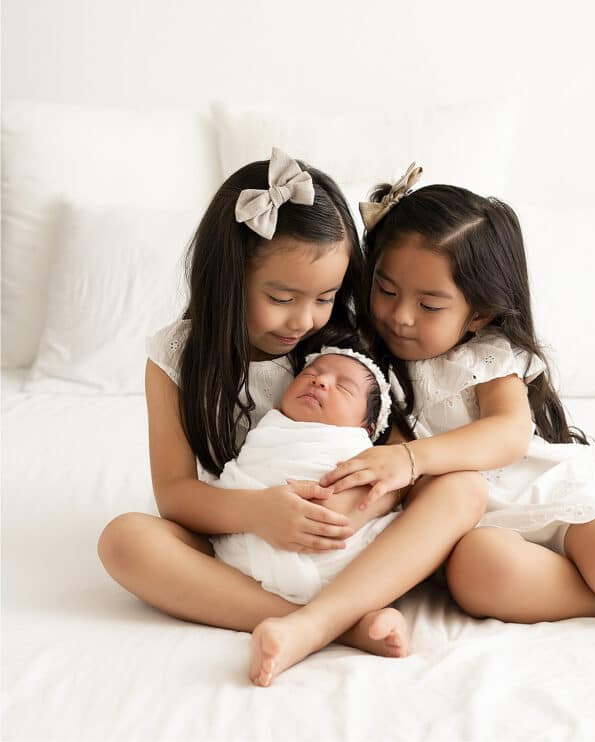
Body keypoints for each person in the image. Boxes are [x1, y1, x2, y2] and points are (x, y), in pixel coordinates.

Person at [97, 149, 487, 686]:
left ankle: (317, 619)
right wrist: (259, 513)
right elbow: (176, 496)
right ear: (228, 278)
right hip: (240, 538)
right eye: (281, 297)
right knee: (124, 541)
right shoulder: (175, 357)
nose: (303, 320)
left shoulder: (342, 347)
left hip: (344, 541)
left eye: (325, 297)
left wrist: (347, 512)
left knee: (462, 490)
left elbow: (393, 461)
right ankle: (334, 625)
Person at [319, 168, 595, 624]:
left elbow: (508, 433)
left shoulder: (485, 356)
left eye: (429, 305)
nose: (401, 316)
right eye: (386, 290)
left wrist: (412, 458)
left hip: (542, 491)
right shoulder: (362, 368)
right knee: (480, 575)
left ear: (479, 314)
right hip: (472, 524)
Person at [211, 348, 400, 615]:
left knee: (391, 535)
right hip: (248, 547)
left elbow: (376, 494)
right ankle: (346, 621)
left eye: (344, 388)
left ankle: (356, 611)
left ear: (367, 428)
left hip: (338, 560)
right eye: (310, 374)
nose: (320, 381)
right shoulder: (268, 429)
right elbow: (239, 480)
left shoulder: (359, 448)